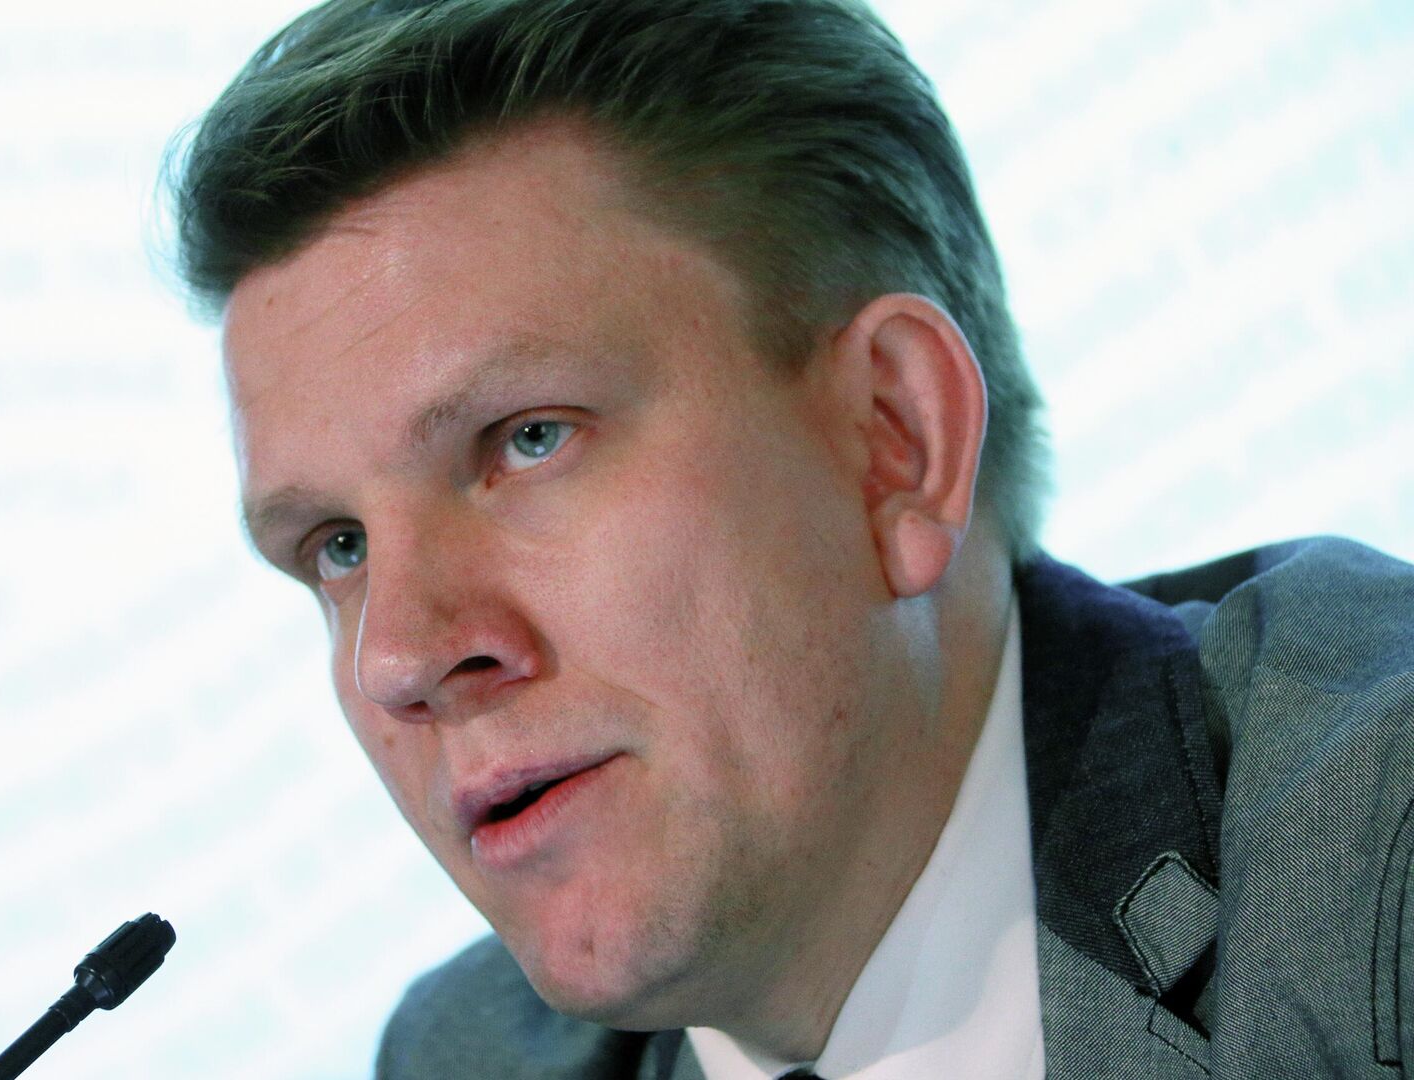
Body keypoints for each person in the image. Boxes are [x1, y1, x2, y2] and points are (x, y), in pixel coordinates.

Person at [167, 1, 1414, 1076]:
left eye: (527, 440)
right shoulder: (465, 1061)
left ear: (895, 440)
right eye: (337, 546)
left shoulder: (1376, 855)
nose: (398, 657)